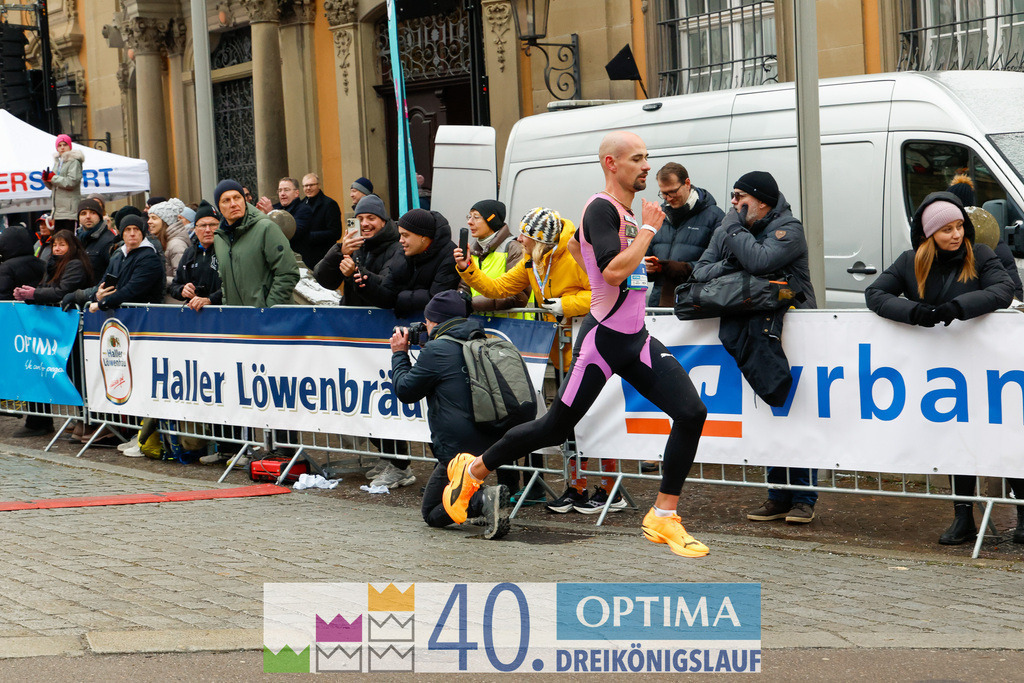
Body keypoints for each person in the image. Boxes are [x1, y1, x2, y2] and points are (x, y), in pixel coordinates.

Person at [442, 131, 711, 558]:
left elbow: (589, 253)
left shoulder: (622, 212)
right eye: (637, 158)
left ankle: (663, 515)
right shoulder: (601, 208)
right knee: (554, 427)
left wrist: (635, 248)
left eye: (646, 157)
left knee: (692, 412)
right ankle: (472, 470)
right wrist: (647, 231)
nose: (646, 166)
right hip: (603, 341)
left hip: (635, 339)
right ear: (611, 164)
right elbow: (612, 273)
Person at [865, 191, 1017, 545]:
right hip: (943, 372)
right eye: (947, 229)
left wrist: (957, 308)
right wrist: (913, 312)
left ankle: (1023, 516)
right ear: (929, 233)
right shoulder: (910, 261)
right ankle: (963, 518)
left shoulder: (981, 254)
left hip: (989, 367)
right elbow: (875, 294)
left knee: (1004, 435)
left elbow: (1003, 290)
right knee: (955, 439)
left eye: (960, 226)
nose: (956, 234)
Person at [691, 171, 819, 524]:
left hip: (792, 330)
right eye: (732, 197)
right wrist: (733, 260)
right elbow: (700, 272)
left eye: (739, 196)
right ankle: (777, 495)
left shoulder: (788, 228)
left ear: (761, 201)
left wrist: (735, 236)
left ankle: (804, 497)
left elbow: (761, 261)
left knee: (795, 413)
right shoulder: (730, 228)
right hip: (753, 328)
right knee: (767, 412)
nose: (732, 203)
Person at [454, 206, 600, 511]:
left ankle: (607, 489)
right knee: (571, 425)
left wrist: (566, 304)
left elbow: (601, 293)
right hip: (562, 352)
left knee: (597, 420)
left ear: (541, 240)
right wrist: (468, 269)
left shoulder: (576, 253)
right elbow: (499, 288)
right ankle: (576, 488)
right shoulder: (532, 260)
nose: (519, 239)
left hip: (591, 349)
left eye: (525, 235)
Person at [390, 290, 511, 539]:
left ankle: (482, 500)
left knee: (432, 512)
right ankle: (483, 500)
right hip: (492, 437)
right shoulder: (481, 340)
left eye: (427, 321)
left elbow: (405, 391)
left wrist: (400, 354)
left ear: (437, 322)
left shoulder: (437, 350)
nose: (424, 327)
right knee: (447, 493)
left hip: (457, 450)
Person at [312, 194, 414, 487]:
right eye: (360, 219)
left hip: (384, 335)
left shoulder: (396, 247)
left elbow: (386, 288)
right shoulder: (354, 246)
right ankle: (388, 455)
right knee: (363, 399)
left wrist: (358, 272)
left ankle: (400, 464)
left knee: (385, 398)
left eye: (371, 218)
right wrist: (338, 251)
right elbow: (323, 278)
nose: (365, 224)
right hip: (355, 336)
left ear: (383, 220)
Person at [12, 230, 94, 439]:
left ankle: (87, 420)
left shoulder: (75, 264)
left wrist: (34, 294)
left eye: (62, 245)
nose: (57, 248)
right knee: (55, 372)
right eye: (55, 244)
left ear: (72, 246)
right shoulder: (53, 264)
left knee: (76, 375)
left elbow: (62, 292)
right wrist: (28, 294)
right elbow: (47, 289)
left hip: (71, 327)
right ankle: (76, 420)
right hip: (56, 327)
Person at [644, 162, 724, 307]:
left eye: (673, 192)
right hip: (659, 305)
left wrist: (686, 268)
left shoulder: (715, 217)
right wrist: (647, 268)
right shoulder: (658, 216)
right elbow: (645, 256)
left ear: (687, 183)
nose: (668, 198)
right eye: (664, 193)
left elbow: (722, 264)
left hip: (695, 304)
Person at [356, 208, 460, 318]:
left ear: (423, 237)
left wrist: (401, 298)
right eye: (400, 235)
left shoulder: (450, 255)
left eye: (405, 235)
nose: (401, 240)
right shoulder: (402, 253)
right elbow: (387, 296)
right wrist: (366, 284)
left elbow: (437, 299)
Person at [213, 179, 299, 308]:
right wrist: (228, 307)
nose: (233, 204)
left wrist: (268, 310)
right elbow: (224, 281)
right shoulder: (219, 238)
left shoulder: (266, 228)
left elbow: (288, 272)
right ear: (219, 207)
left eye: (237, 198)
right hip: (238, 317)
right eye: (226, 200)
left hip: (268, 316)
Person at [458, 199, 530, 315]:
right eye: (469, 217)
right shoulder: (472, 250)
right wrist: (459, 299)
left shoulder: (514, 248)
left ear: (492, 220)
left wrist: (471, 304)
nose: (470, 222)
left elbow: (518, 296)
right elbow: (465, 287)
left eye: (476, 217)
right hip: (479, 321)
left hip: (510, 324)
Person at [168, 201, 222, 311]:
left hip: (223, 313)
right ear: (195, 230)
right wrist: (182, 290)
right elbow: (174, 286)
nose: (208, 230)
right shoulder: (189, 253)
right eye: (203, 225)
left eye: (213, 225)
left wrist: (210, 299)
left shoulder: (227, 251)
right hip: (194, 315)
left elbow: (234, 287)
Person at [258, 177, 313, 264]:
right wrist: (260, 215)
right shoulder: (276, 207)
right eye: (280, 190)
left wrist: (271, 213)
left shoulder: (304, 210)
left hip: (296, 259)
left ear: (296, 193)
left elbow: (293, 232)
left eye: (286, 190)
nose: (282, 194)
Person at [147, 198, 191, 299]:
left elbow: (181, 280)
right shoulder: (165, 242)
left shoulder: (176, 245)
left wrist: (155, 278)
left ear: (166, 221)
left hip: (175, 303)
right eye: (149, 218)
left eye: (154, 218)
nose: (149, 222)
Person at [42, 134, 84, 231]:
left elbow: (72, 182)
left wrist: (53, 178)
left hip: (69, 211)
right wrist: (46, 180)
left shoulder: (74, 161)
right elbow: (54, 186)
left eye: (65, 145)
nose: (62, 148)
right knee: (60, 237)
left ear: (70, 146)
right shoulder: (58, 162)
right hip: (58, 211)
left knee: (68, 237)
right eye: (59, 145)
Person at [300, 173, 343, 268]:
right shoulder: (301, 205)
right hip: (306, 257)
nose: (308, 188)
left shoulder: (330, 204)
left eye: (311, 185)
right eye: (305, 186)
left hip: (324, 257)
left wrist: (309, 236)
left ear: (319, 185)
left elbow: (336, 233)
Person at [0, 221, 46, 300]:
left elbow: (3, 296)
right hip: (39, 304)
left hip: (14, 306)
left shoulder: (6, 268)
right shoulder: (42, 263)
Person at [76, 198, 116, 286]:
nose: (88, 216)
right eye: (83, 213)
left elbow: (113, 273)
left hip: (98, 292)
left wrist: (96, 292)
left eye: (93, 213)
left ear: (99, 216)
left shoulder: (109, 241)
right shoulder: (76, 240)